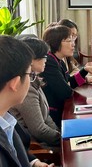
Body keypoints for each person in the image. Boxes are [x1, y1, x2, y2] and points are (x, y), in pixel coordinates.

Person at [0, 36, 54, 167]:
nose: (31, 80)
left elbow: (14, 151)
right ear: (15, 83)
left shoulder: (6, 117)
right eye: (31, 75)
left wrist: (33, 162)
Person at [41, 25, 92, 127]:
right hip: (55, 116)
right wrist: (69, 84)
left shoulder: (58, 60)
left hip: (63, 109)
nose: (73, 44)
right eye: (69, 41)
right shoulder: (49, 63)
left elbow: (69, 81)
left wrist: (84, 71)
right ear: (56, 42)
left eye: (73, 40)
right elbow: (65, 92)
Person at [10, 38, 61, 149]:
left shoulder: (34, 80)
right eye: (44, 56)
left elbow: (46, 117)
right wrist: (63, 140)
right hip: (36, 146)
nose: (46, 60)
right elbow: (39, 130)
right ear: (31, 59)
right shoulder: (25, 88)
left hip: (46, 140)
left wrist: (59, 133)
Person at [58, 19, 92, 85]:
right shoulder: (55, 58)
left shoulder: (66, 55)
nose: (72, 41)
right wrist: (83, 78)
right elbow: (66, 83)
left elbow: (74, 70)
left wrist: (83, 77)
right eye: (70, 36)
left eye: (74, 36)